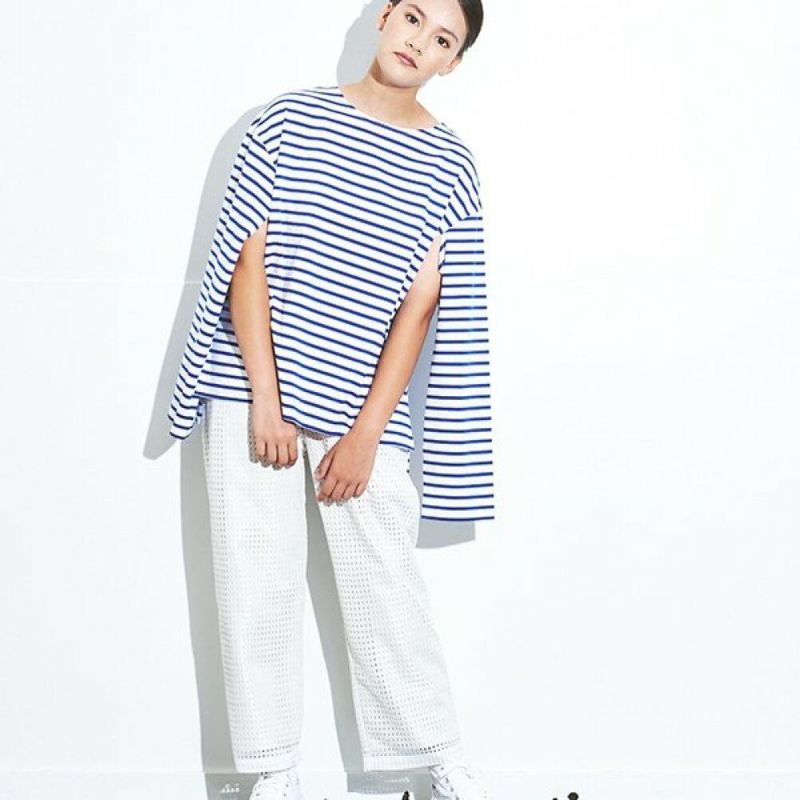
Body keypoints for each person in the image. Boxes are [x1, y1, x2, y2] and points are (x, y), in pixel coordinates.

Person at [167, 2, 495, 798]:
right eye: (413, 17)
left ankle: (435, 759)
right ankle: (271, 773)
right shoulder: (286, 122)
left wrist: (366, 435)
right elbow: (246, 261)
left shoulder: (450, 164)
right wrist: (266, 401)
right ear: (384, 16)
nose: (419, 40)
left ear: (452, 62)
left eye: (442, 38)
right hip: (249, 386)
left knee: (385, 584)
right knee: (256, 580)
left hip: (361, 406)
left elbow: (422, 306)